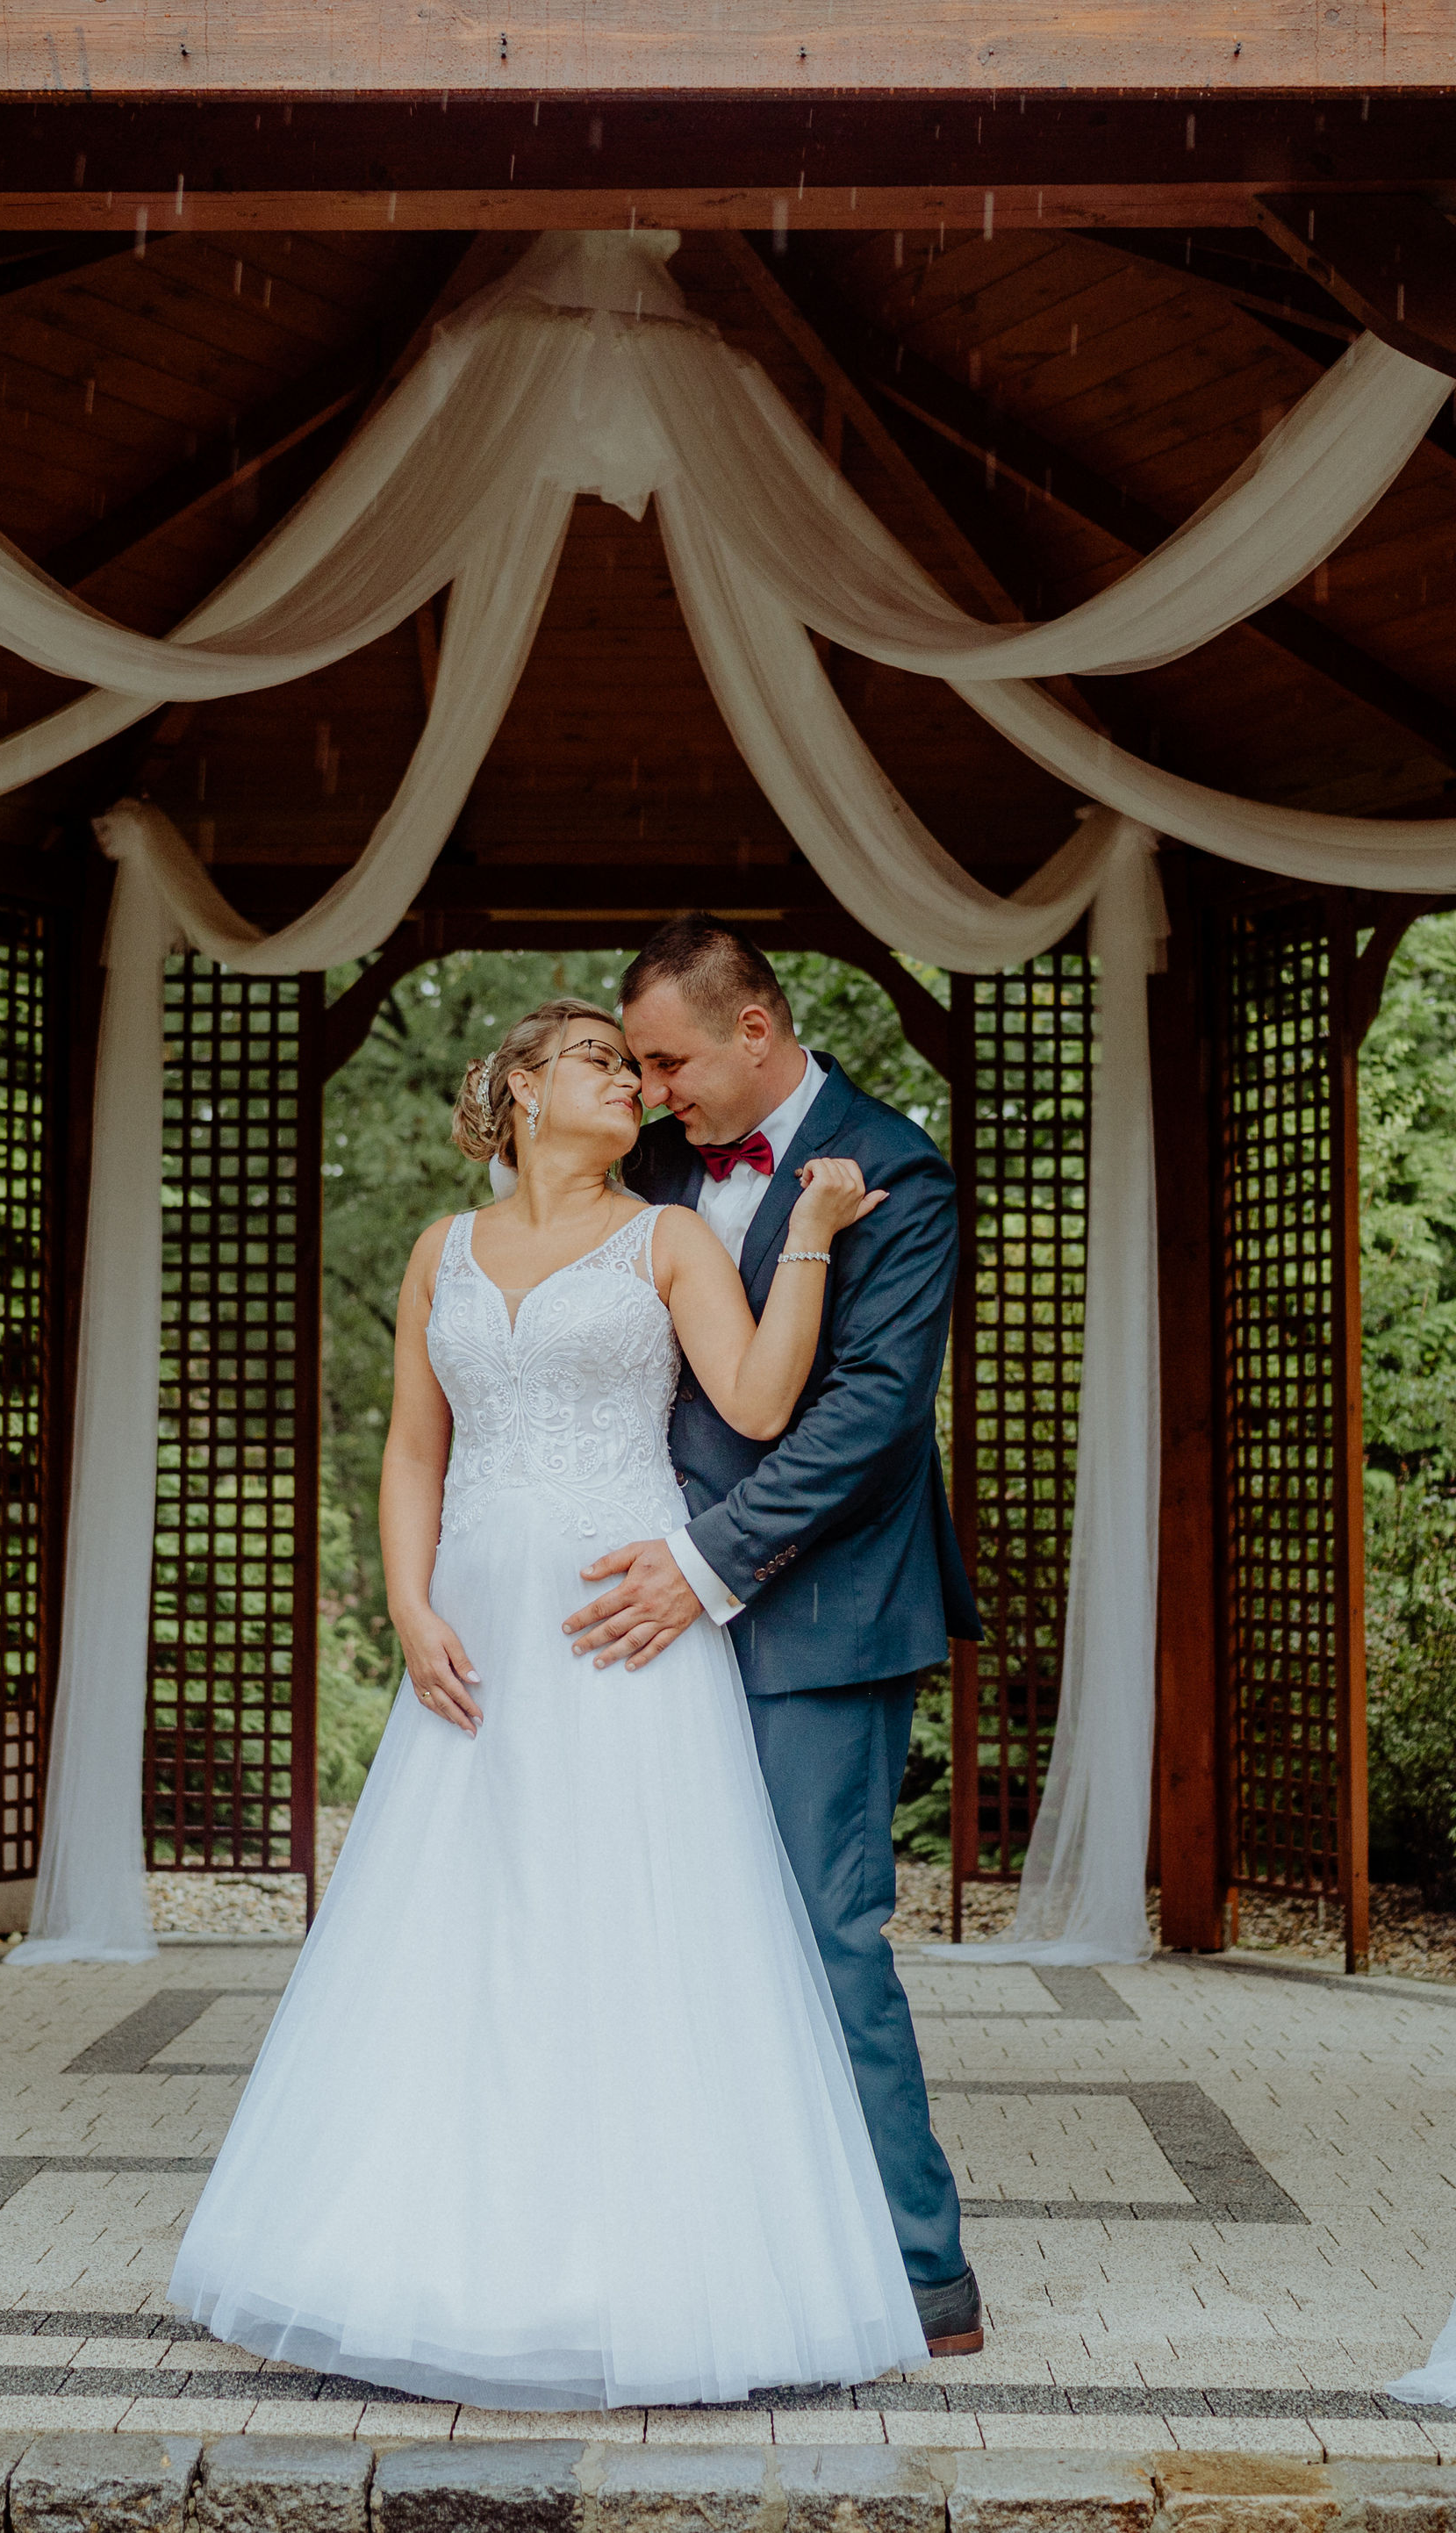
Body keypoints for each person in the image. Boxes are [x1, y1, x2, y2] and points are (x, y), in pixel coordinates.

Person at [169, 994, 932, 2411]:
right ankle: (428, 2251)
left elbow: (762, 1402)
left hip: (618, 1631)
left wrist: (816, 1235)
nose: (632, 1081)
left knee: (627, 1928)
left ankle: (635, 2271)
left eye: (640, 1066)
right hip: (475, 1639)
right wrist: (409, 1609)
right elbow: (414, 1448)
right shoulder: (439, 1249)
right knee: (459, 1924)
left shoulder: (670, 1237)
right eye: (600, 1060)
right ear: (522, 1088)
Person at [570, 916, 985, 2358]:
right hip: (655, 1611)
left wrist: (705, 1561)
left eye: (669, 1060)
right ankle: (725, 2242)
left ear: (754, 1028)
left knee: (823, 1930)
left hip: (824, 1611)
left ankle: (923, 2268)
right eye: (636, 1066)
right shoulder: (656, 1168)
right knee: (677, 1926)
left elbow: (874, 1417)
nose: (653, 1089)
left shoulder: (899, 1170)